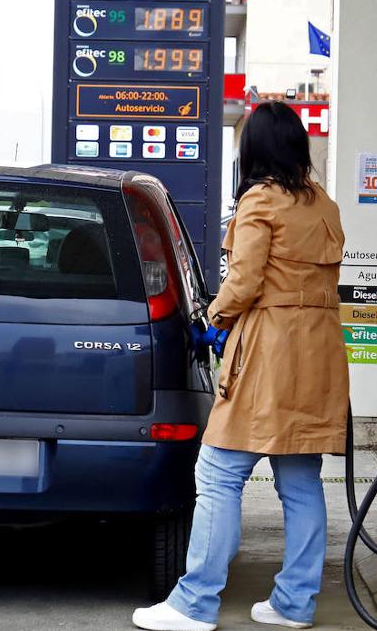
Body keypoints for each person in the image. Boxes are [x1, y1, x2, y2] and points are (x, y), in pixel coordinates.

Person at [133, 102, 350, 631]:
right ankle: (294, 604)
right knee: (300, 481)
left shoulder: (260, 201)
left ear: (254, 149)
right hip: (319, 352)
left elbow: (246, 280)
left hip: (270, 351)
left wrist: (210, 317)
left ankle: (194, 603)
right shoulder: (323, 203)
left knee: (218, 474)